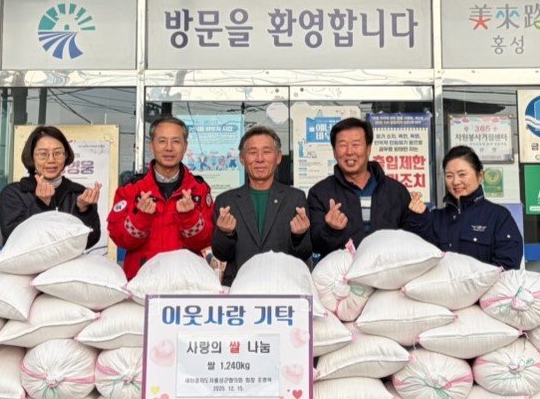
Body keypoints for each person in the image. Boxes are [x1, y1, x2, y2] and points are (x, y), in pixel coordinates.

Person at [107, 116, 215, 279]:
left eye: (176, 141)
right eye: (162, 141)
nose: (169, 148)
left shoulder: (199, 189)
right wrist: (141, 218)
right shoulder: (131, 189)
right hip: (143, 280)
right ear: (151, 145)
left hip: (187, 280)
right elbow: (120, 240)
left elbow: (206, 241)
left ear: (185, 146)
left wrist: (189, 217)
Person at [211, 126, 312, 286]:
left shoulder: (295, 198)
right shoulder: (226, 201)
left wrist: (299, 236)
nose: (260, 159)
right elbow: (221, 254)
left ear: (278, 157)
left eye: (266, 152)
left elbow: (304, 253)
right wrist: (226, 233)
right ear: (242, 159)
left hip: (283, 287)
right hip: (240, 288)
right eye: (252, 152)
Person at [405, 145, 523, 269]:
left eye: (462, 174)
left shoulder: (498, 217)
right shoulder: (434, 218)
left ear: (480, 176)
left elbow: (507, 266)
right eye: (449, 176)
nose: (456, 182)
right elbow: (414, 258)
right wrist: (418, 219)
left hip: (484, 282)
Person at [307, 117, 411, 255]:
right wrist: (330, 230)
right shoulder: (319, 193)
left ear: (368, 149)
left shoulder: (396, 191)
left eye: (356, 144)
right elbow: (313, 244)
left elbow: (412, 239)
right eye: (343, 145)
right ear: (334, 152)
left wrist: (421, 217)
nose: (349, 151)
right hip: (342, 268)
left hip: (388, 267)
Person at [0, 125, 101, 247]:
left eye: (57, 153)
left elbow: (90, 241)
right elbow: (12, 237)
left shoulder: (79, 193)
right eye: (43, 154)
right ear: (31, 156)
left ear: (66, 155)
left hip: (70, 260)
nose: (51, 160)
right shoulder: (14, 193)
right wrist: (40, 204)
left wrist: (84, 211)